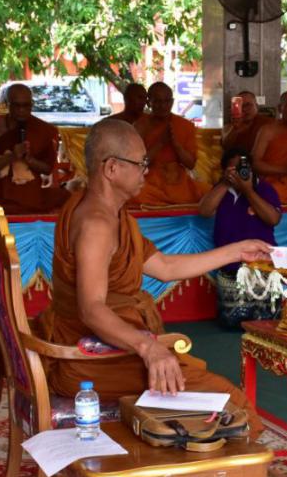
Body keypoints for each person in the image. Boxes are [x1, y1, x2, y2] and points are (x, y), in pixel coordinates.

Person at [41, 119, 270, 439]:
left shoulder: (110, 213)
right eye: (140, 164)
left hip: (112, 346)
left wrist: (237, 251)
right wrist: (149, 349)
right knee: (230, 402)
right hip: (90, 359)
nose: (146, 172)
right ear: (111, 168)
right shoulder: (96, 224)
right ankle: (216, 468)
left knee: (204, 387)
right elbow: (91, 309)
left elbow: (164, 267)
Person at [199, 148, 282, 328]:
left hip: (261, 267)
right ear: (224, 170)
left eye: (243, 168)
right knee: (231, 323)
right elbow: (204, 211)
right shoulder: (221, 189)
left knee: (267, 321)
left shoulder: (264, 188)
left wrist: (248, 191)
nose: (239, 173)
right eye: (233, 169)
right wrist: (224, 183)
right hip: (229, 267)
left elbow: (273, 219)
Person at [0, 83, 70, 214]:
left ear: (31, 105)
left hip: (30, 194)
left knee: (67, 197)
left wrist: (30, 160)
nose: (21, 110)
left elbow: (47, 169)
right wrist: (11, 157)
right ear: (7, 105)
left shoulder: (42, 129)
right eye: (17, 105)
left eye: (26, 105)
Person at [132, 82, 209, 206]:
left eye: (167, 101)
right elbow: (139, 164)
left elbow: (190, 164)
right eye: (157, 101)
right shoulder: (140, 126)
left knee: (209, 193)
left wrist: (176, 146)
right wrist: (161, 143)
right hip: (151, 182)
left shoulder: (185, 125)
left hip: (179, 181)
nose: (163, 106)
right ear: (149, 102)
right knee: (135, 196)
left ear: (172, 102)